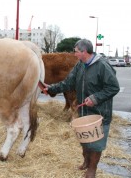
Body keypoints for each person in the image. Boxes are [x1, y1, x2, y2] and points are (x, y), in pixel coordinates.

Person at [43, 39, 120, 178]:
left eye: (76, 51)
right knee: (85, 139)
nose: (74, 54)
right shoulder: (80, 65)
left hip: (99, 112)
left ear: (84, 52)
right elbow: (68, 82)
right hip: (84, 111)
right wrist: (51, 88)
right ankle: (86, 161)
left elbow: (114, 87)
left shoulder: (102, 66)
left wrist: (95, 98)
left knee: (96, 143)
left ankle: (92, 170)